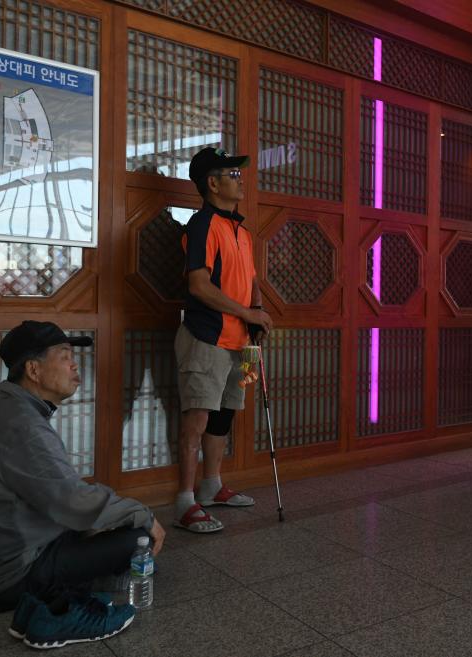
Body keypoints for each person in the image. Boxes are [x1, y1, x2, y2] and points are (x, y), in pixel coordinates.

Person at [0, 320, 165, 648]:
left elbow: (59, 494)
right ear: (33, 370)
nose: (74, 364)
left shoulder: (11, 410)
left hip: (11, 554)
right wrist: (144, 515)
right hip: (11, 573)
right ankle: (73, 599)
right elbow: (70, 500)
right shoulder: (21, 423)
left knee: (111, 526)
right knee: (137, 539)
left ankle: (96, 579)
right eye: (64, 356)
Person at [174, 146, 273, 533]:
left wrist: (258, 312)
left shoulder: (242, 231)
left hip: (239, 343)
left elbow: (250, 280)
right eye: (232, 174)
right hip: (206, 338)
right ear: (212, 183)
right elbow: (199, 285)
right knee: (196, 419)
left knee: (222, 415)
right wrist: (247, 312)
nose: (240, 179)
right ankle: (185, 500)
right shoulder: (201, 225)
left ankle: (212, 485)